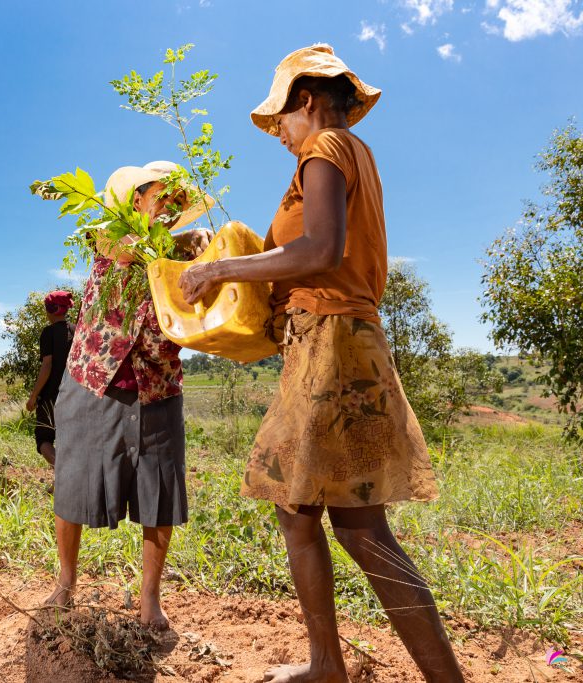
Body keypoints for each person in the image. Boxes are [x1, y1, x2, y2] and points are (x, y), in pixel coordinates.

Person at [178, 45, 463, 682]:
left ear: (305, 101)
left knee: (360, 529)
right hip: (329, 339)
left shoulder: (325, 148)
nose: (279, 133)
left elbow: (322, 250)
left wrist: (221, 270)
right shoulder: (350, 154)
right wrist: (221, 251)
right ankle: (326, 664)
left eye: (281, 119)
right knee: (302, 511)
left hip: (332, 343)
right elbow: (296, 253)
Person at [46, 160, 212, 630]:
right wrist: (182, 240)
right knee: (72, 484)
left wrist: (207, 260)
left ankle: (150, 598)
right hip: (94, 381)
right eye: (163, 197)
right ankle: (65, 582)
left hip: (158, 385)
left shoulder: (185, 259)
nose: (170, 208)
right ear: (137, 200)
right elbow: (126, 249)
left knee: (159, 493)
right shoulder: (108, 235)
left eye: (178, 203)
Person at [26, 290, 75, 467]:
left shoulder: (48, 332)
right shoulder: (77, 330)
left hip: (51, 397)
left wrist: (33, 397)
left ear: (50, 310)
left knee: (44, 439)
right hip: (75, 395)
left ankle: (63, 475)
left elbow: (47, 365)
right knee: (71, 440)